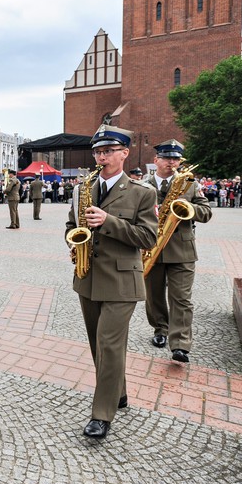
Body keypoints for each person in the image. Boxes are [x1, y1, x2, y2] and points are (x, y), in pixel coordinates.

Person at [65, 123, 157, 439]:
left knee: (109, 344)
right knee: (97, 345)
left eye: (108, 151)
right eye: (97, 152)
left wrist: (109, 222)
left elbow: (148, 237)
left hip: (122, 280)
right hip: (88, 276)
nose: (101, 157)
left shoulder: (142, 192)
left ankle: (102, 414)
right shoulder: (82, 189)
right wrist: (73, 242)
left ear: (124, 153)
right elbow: (71, 225)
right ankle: (119, 392)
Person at [145, 139, 212, 364]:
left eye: (176, 159)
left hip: (182, 249)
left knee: (181, 298)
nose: (171, 162)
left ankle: (181, 345)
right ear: (156, 160)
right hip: (151, 247)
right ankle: (160, 329)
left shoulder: (190, 184)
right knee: (154, 296)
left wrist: (187, 207)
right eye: (166, 158)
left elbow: (206, 212)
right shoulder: (143, 185)